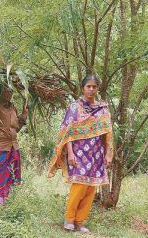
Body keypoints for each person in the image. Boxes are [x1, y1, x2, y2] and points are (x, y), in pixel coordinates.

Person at [48, 75, 114, 233]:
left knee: (91, 188)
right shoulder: (74, 107)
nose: (91, 89)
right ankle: (69, 219)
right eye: (88, 86)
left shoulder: (103, 109)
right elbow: (67, 132)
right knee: (79, 186)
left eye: (94, 87)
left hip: (97, 154)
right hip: (78, 153)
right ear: (82, 88)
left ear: (98, 89)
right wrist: (70, 154)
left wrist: (108, 154)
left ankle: (80, 221)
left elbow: (108, 133)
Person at [0, 85, 28, 207]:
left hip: (12, 147)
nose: (9, 92)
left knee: (8, 177)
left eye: (11, 90)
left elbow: (16, 128)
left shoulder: (12, 107)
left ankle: (1, 204)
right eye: (6, 89)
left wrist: (24, 114)